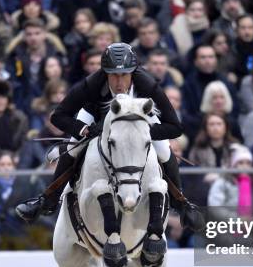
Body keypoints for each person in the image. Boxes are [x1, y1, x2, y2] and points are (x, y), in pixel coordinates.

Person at [15, 43, 203, 231]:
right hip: (95, 116)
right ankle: (47, 200)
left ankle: (181, 203)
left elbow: (175, 128)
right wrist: (84, 130)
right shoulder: (92, 84)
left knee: (163, 150)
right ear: (105, 73)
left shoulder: (147, 86)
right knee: (74, 147)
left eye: (124, 75)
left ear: (134, 72)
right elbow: (58, 116)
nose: (119, 82)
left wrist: (140, 134)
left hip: (141, 120)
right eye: (113, 75)